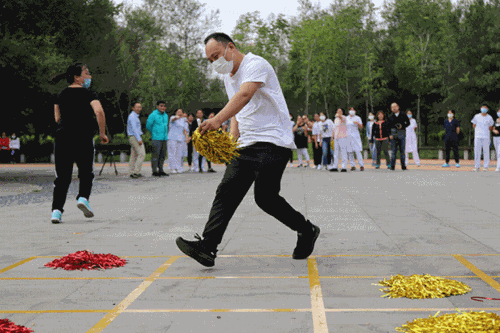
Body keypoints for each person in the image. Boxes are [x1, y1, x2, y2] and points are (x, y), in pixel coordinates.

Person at [176, 32, 320, 267]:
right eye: (210, 60)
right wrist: (231, 145)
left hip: (273, 141)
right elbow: (238, 112)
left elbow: (244, 96)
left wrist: (215, 121)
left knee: (265, 198)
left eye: (216, 56)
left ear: (230, 47)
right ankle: (207, 246)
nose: (214, 63)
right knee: (226, 191)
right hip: (247, 144)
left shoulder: (256, 64)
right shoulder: (227, 78)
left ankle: (307, 229)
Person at [50, 62, 109, 223]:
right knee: (86, 172)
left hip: (63, 138)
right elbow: (99, 111)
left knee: (62, 177)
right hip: (83, 137)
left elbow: (57, 118)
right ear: (77, 78)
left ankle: (56, 211)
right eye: (87, 73)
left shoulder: (61, 94)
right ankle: (83, 198)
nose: (89, 76)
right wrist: (102, 133)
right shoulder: (89, 94)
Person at [146, 100, 169, 177]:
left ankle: (161, 170)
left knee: (162, 155)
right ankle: (154, 171)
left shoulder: (166, 115)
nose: (163, 107)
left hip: (164, 138)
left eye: (164, 106)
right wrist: (154, 132)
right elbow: (148, 125)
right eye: (161, 106)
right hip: (156, 138)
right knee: (155, 155)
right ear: (157, 106)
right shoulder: (153, 115)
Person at [471, 105, 494, 171]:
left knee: (486, 152)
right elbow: (474, 125)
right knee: (477, 151)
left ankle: (485, 167)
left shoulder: (489, 117)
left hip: (486, 137)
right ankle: (477, 166)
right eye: (483, 108)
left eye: (485, 108)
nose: (484, 109)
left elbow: (490, 127)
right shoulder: (476, 116)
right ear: (481, 108)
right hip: (477, 136)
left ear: (487, 109)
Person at [388, 103, 410, 170]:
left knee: (402, 151)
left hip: (402, 134)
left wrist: (402, 125)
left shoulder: (403, 114)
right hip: (393, 134)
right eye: (392, 107)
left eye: (395, 106)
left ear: (398, 107)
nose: (394, 108)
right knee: (393, 151)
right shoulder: (390, 116)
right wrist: (389, 134)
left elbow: (408, 123)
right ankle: (392, 166)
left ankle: (403, 166)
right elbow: (387, 126)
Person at [168, 108, 190, 174]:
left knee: (179, 154)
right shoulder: (173, 117)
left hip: (180, 138)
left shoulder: (183, 120)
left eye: (181, 112)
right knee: (172, 153)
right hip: (172, 138)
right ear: (176, 113)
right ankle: (172, 168)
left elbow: (184, 129)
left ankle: (178, 168)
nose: (180, 113)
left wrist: (187, 138)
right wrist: (177, 117)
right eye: (178, 112)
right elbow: (173, 119)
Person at [127, 102, 145, 178]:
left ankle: (132, 172)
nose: (139, 109)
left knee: (134, 155)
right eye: (137, 107)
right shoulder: (133, 116)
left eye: (140, 107)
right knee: (142, 154)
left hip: (133, 136)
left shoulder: (134, 116)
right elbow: (134, 129)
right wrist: (139, 139)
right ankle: (136, 172)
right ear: (133, 108)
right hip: (135, 137)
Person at [331, 108, 348, 172]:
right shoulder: (336, 120)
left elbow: (341, 118)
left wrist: (339, 115)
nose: (338, 112)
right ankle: (335, 166)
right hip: (336, 137)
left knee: (343, 152)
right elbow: (334, 128)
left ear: (342, 112)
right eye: (337, 111)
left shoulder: (344, 118)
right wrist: (332, 136)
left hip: (342, 137)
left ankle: (344, 167)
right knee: (336, 152)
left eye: (340, 111)